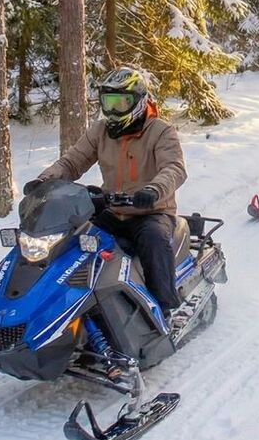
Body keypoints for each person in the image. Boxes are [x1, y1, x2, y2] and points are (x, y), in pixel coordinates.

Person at [24, 67, 186, 315]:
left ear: (139, 101)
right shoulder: (100, 131)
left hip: (150, 211)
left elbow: (174, 168)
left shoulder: (160, 131)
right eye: (109, 102)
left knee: (153, 240)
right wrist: (44, 181)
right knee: (70, 240)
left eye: (122, 103)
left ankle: (164, 307)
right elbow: (72, 162)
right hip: (112, 211)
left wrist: (154, 190)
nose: (114, 110)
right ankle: (60, 301)